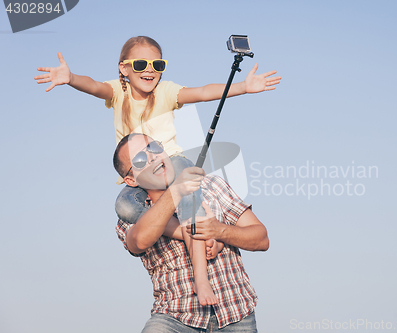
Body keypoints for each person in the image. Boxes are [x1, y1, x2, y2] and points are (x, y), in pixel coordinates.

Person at [34, 35, 280, 226]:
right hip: (140, 172)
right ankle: (176, 230)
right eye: (140, 64)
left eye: (157, 64)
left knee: (189, 195)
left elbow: (203, 92)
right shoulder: (119, 92)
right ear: (124, 68)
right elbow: (95, 87)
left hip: (170, 161)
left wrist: (243, 87)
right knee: (126, 207)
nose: (149, 70)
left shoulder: (166, 91)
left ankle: (204, 233)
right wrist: (71, 78)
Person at [113, 133, 269, 332]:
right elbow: (141, 240)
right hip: (175, 317)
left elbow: (261, 239)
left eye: (153, 147)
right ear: (131, 179)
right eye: (141, 159)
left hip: (235, 314)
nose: (153, 157)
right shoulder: (130, 215)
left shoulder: (211, 185)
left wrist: (218, 231)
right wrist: (176, 190)